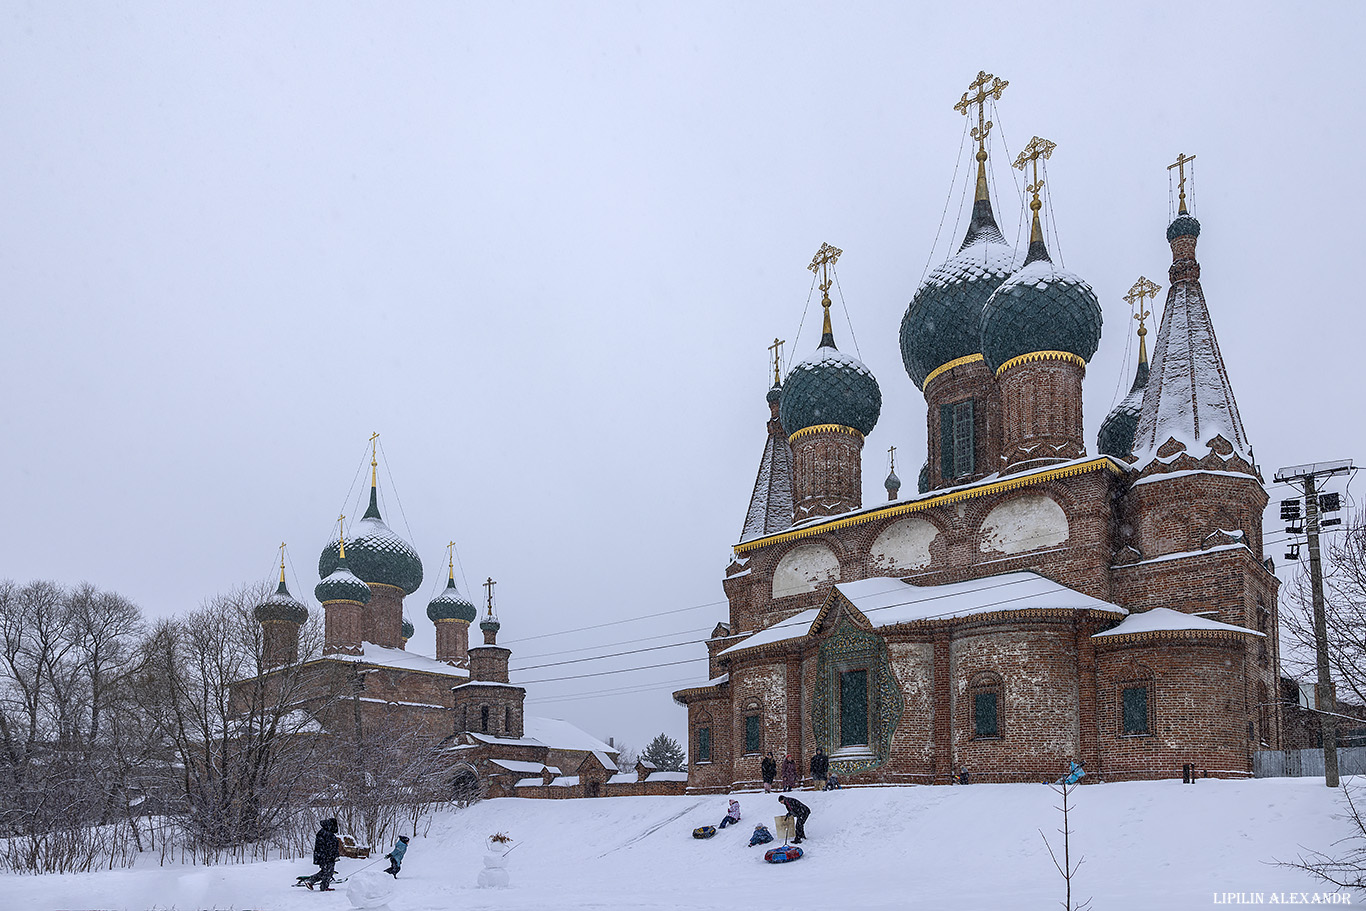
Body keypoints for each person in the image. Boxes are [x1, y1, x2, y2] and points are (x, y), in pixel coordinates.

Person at [303, 818, 340, 891]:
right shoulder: (327, 834)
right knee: (328, 871)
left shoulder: (324, 832)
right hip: (326, 857)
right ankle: (321, 885)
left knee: (325, 871)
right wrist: (333, 856)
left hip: (322, 856)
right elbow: (330, 847)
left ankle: (312, 882)